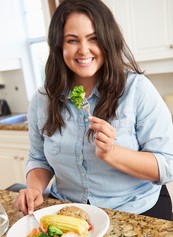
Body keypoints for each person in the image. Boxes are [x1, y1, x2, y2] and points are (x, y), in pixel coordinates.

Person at [16, 0, 173, 220]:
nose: (83, 50)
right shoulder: (43, 100)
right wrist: (34, 187)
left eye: (93, 39)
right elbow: (39, 159)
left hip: (136, 211)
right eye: (72, 40)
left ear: (108, 41)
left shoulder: (137, 89)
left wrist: (112, 153)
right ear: (59, 45)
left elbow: (168, 164)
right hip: (70, 213)